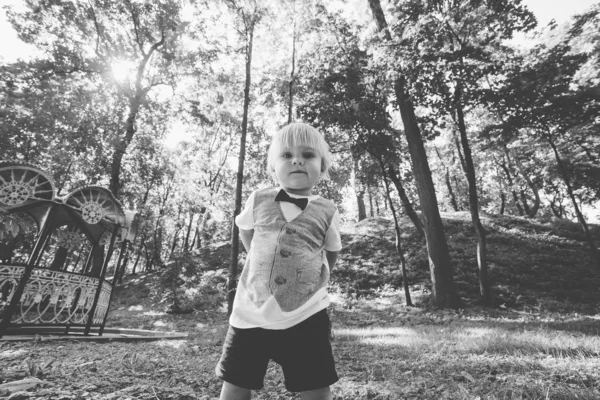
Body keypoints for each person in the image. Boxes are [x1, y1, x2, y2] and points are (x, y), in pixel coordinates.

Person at [215, 122, 342, 400]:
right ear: (273, 168)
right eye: (286, 155)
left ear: (321, 167)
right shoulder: (258, 198)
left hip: (306, 314)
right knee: (236, 381)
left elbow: (332, 249)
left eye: (308, 155)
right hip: (251, 312)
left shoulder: (327, 210)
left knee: (316, 384)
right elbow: (245, 230)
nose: (297, 159)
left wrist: (318, 276)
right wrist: (258, 259)